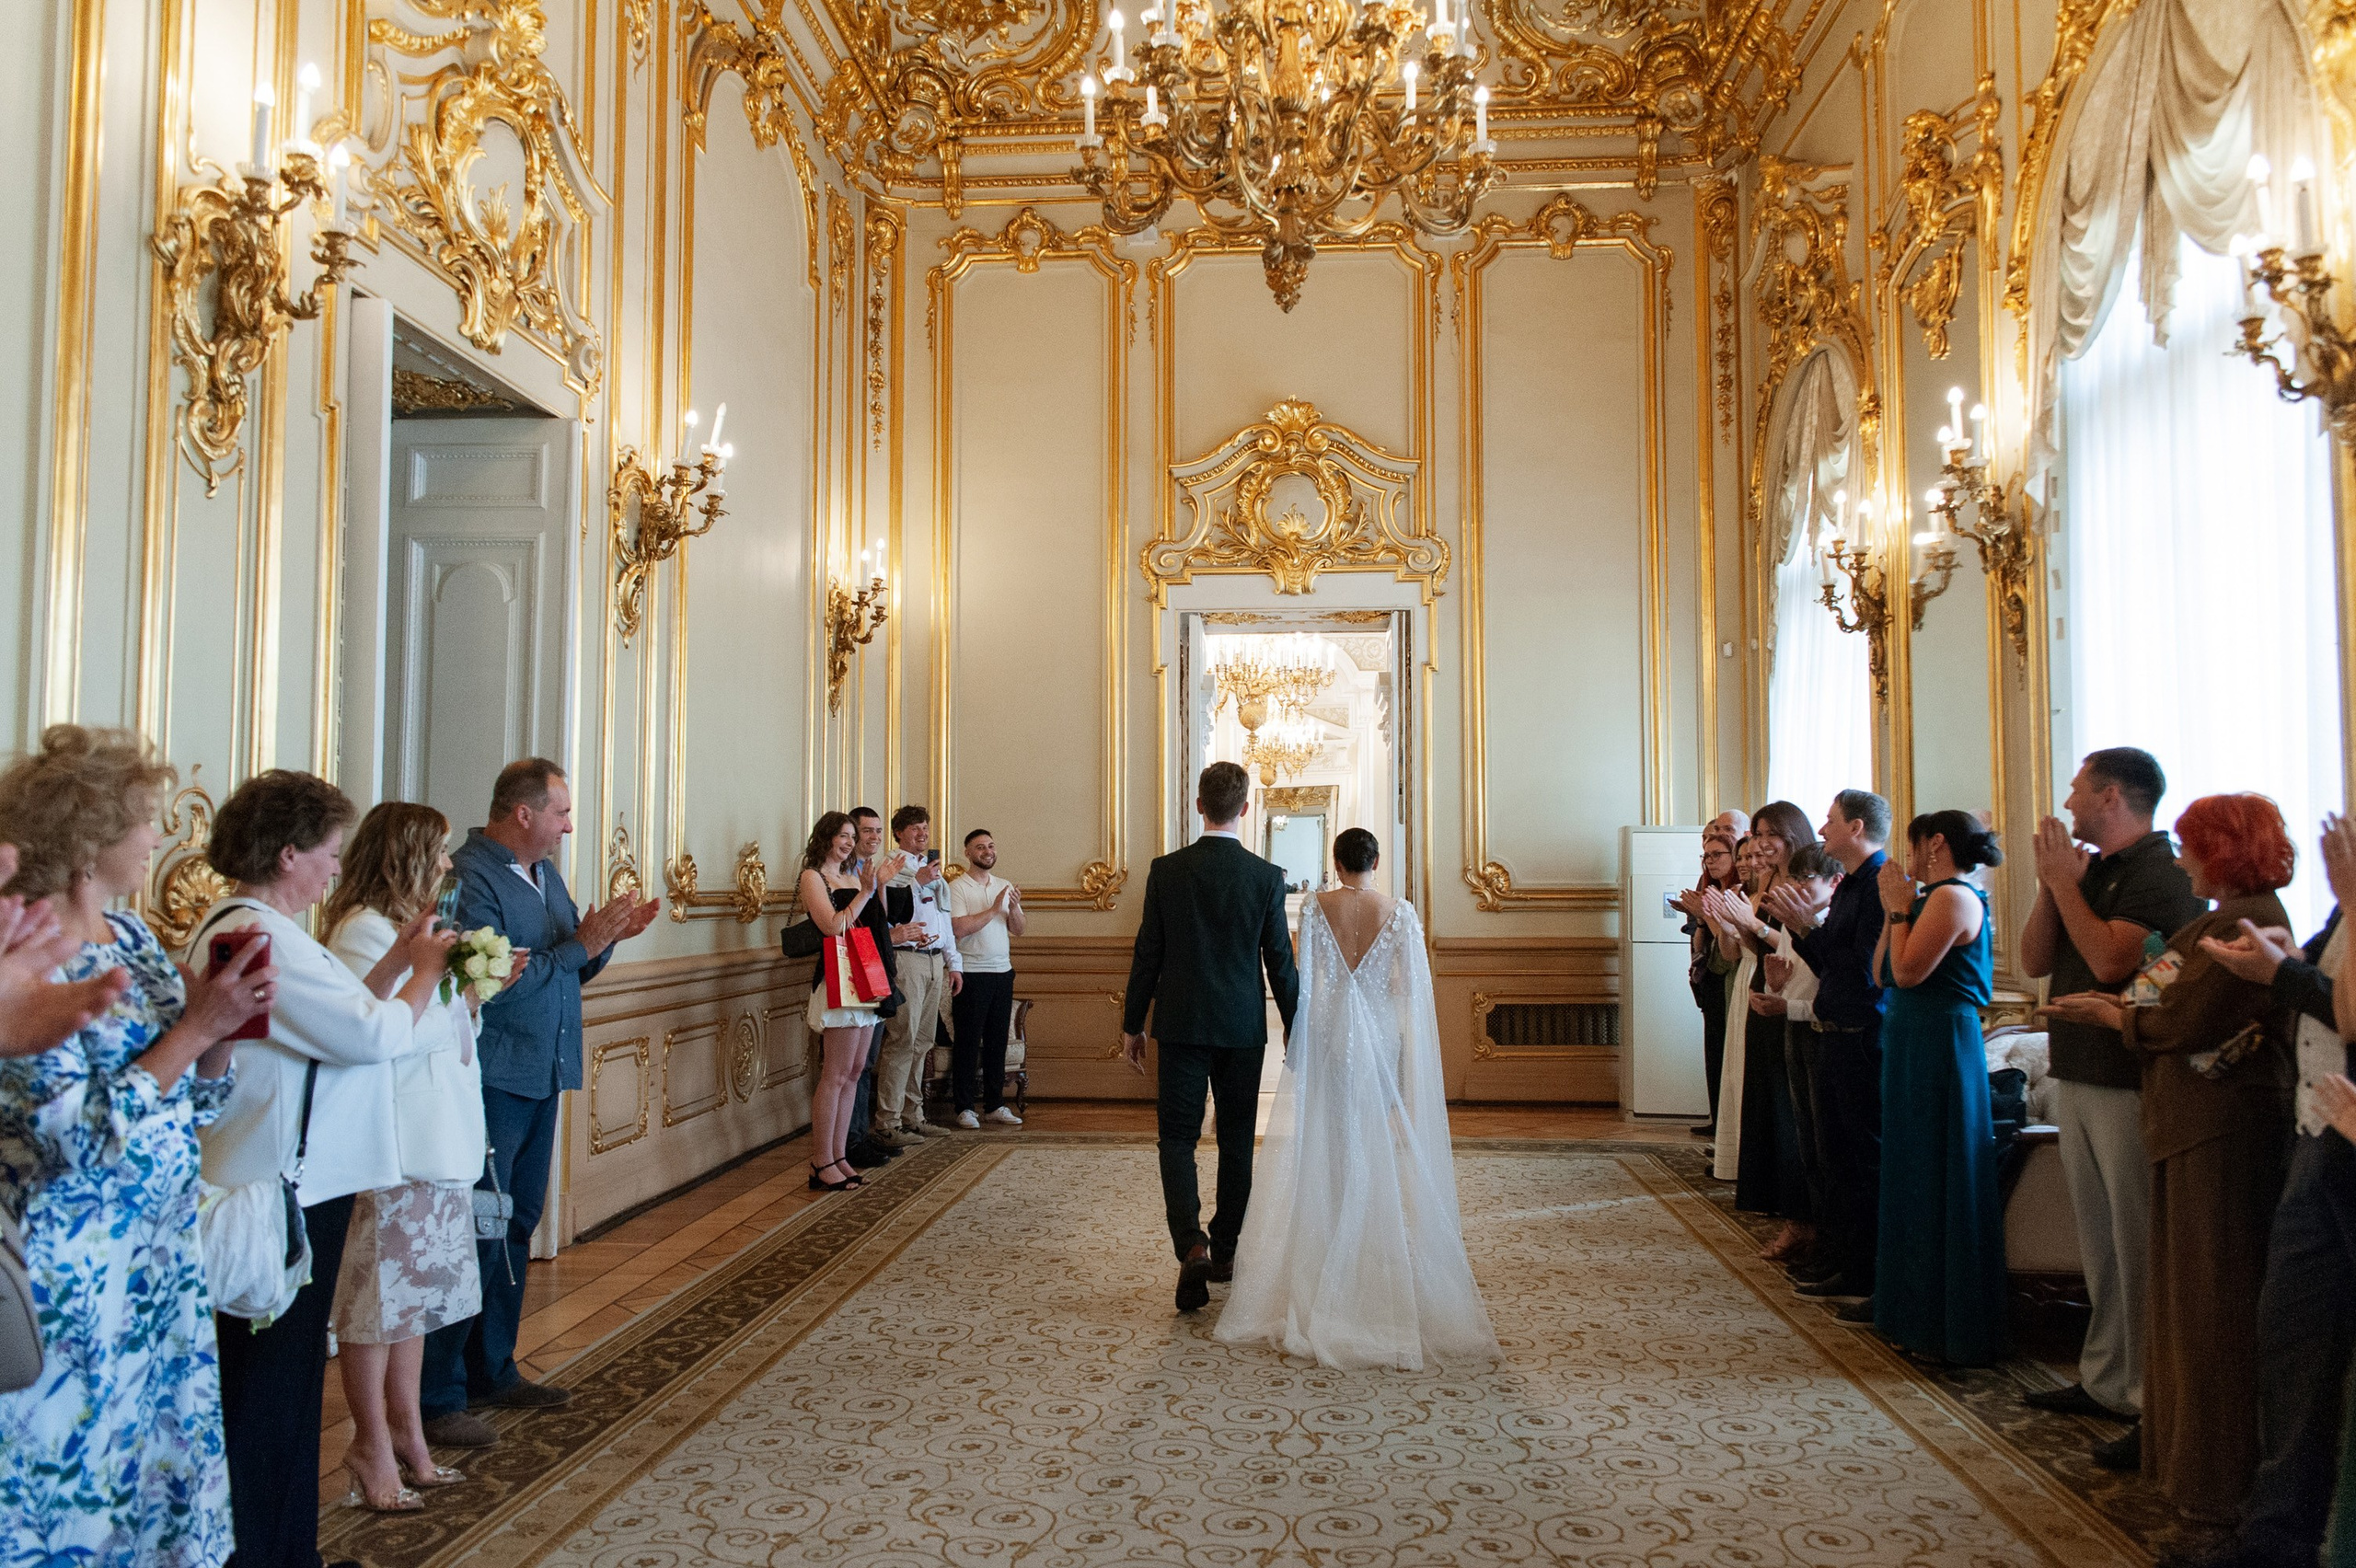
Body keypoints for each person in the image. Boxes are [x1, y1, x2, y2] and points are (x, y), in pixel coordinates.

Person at [0, 728, 272, 1566]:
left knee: (154, 1497)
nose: (159, 839)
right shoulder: (24, 962)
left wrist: (222, 1034)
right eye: (145, 821)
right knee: (71, 1501)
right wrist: (192, 1034)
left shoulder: (136, 942)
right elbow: (75, 1142)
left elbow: (191, 1105)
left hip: (157, 1272)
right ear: (89, 843)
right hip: (74, 1288)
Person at [194, 768, 456, 1568]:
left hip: (289, 1181)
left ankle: (283, 1551)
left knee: (279, 1388)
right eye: (328, 853)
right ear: (286, 855)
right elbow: (372, 1038)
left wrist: (398, 969)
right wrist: (425, 974)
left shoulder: (259, 928)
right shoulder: (263, 934)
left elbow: (343, 1012)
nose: (337, 870)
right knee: (270, 1395)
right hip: (284, 1189)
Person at [2045, 793, 2300, 1522]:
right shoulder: (2215, 918)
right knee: (2180, 1295)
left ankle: (2212, 1476)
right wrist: (2123, 1012)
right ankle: (2176, 1443)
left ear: (2222, 850)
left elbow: (2182, 1016)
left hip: (2221, 1129)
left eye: (2192, 845)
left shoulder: (2254, 918)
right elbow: (2160, 999)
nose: (2182, 857)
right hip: (2188, 1121)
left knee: (2209, 1301)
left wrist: (2116, 1015)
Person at [420, 759, 657, 1449]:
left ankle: (495, 1367)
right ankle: (440, 1392)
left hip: (544, 1069)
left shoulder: (545, 874)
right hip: (495, 1075)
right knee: (475, 1226)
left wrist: (604, 941)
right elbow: (497, 984)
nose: (568, 826)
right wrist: (582, 943)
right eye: (560, 813)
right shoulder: (469, 879)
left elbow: (567, 961)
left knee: (517, 1220)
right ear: (522, 813)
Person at [1215, 828, 1498, 1368]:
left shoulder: (1317, 910)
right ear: (1373, 861)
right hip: (1377, 1030)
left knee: (1325, 1132)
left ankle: (1331, 1231)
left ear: (1337, 861)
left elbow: (1307, 978)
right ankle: (1366, 1234)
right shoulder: (1399, 911)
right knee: (1371, 1130)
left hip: (1326, 1029)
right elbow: (1407, 988)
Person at [2016, 747, 2203, 1457]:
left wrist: (2068, 886)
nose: (2066, 806)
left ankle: (2149, 1394)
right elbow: (2035, 960)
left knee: (2136, 1240)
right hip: (2079, 1066)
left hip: (2129, 1074)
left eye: (2077, 792)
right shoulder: (2087, 871)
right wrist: (2050, 884)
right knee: (2100, 1241)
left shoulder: (2160, 871)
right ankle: (2103, 1376)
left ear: (2113, 796)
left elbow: (2109, 961)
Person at [2184, 816, 2355, 1568]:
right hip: (2314, 1129)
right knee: (2292, 1345)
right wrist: (2287, 961)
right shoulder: (2341, 908)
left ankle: (2285, 1539)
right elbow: (2322, 981)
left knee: (2306, 1345)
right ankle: (2277, 1534)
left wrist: (2280, 972)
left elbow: (2345, 1011)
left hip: (2339, 1142)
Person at [320, 803, 494, 1513]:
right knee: (376, 1306)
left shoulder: (416, 930)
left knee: (415, 1306)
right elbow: (382, 1034)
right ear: (407, 856)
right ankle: (371, 1441)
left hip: (439, 1132)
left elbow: (447, 1025)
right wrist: (442, 987)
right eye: (441, 853)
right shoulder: (362, 932)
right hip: (392, 1141)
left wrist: (475, 994)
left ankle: (411, 1436)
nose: (449, 867)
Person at [1121, 762, 1301, 1313]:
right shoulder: (1267, 877)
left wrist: (1133, 1023)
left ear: (1198, 804)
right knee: (1236, 1141)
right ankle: (1224, 1252)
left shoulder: (1166, 870)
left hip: (1179, 1023)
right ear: (1245, 809)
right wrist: (1298, 1033)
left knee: (1176, 1140)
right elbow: (1280, 966)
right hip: (1243, 1029)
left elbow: (1148, 950)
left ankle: (1191, 1244)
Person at [1872, 810, 2008, 1366]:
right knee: (1909, 1171)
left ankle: (1945, 1327)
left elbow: (1907, 973)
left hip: (1942, 1043)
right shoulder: (1925, 899)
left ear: (1936, 844)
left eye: (1913, 843)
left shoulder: (1954, 898)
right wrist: (1894, 912)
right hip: (1911, 1038)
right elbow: (1881, 971)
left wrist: (1900, 909)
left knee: (1937, 1173)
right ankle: (1909, 1314)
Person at [1764, 789, 1892, 1306]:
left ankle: (1864, 1271)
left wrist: (1806, 928)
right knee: (1834, 1159)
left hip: (1863, 1038)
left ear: (1857, 828)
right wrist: (1802, 929)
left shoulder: (1881, 887)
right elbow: (1831, 963)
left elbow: (1866, 972)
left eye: (1832, 820)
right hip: (1835, 1033)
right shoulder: (1850, 889)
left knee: (1861, 1163)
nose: (1822, 828)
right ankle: (1841, 1258)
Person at [1702, 801, 1817, 1226]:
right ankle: (1765, 1192)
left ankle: (1795, 1209)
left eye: (1769, 835)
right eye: (1758, 834)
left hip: (1796, 990)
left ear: (1791, 835)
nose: (1762, 844)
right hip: (1762, 984)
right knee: (1761, 1091)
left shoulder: (1808, 879)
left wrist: (1750, 925)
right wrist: (1734, 924)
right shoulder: (1766, 881)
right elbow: (1752, 947)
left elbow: (1800, 938)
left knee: (1788, 1103)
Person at [799, 812, 897, 1191]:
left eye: (851, 836)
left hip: (865, 974)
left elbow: (872, 924)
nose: (848, 841)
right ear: (825, 837)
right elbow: (833, 925)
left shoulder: (857, 876)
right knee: (835, 1075)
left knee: (855, 1073)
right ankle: (821, 1160)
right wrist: (866, 892)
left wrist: (877, 888)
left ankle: (839, 1156)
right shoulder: (814, 877)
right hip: (838, 978)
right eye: (842, 835)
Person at [1752, 844, 1839, 1267]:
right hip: (1795, 1027)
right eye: (1794, 878)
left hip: (1826, 1034)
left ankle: (1826, 1240)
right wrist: (1774, 987)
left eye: (1807, 879)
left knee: (1826, 1146)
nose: (1797, 887)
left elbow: (1842, 986)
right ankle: (1805, 1230)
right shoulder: (1792, 923)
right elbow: (1788, 979)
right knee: (1802, 1140)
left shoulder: (1828, 924)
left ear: (1833, 883)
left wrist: (1790, 1003)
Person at [873, 806, 960, 1148]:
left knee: (923, 1042)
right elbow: (887, 911)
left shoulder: (932, 872)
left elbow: (944, 921)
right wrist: (915, 882)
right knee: (901, 1041)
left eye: (925, 827)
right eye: (914, 828)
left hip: (934, 961)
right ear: (898, 833)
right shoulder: (891, 868)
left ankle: (913, 1116)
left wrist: (954, 965)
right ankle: (887, 1122)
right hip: (905, 959)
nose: (922, 833)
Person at [949, 828, 1025, 1128]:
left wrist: (1014, 906)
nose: (987, 851)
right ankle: (964, 1107)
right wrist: (994, 908)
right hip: (971, 974)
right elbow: (958, 929)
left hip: (1002, 973)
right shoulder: (957, 887)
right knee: (968, 1042)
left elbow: (1018, 929)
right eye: (980, 847)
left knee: (997, 1042)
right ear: (968, 853)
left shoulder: (1003, 885)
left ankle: (995, 1105)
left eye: (991, 846)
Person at [841, 808, 903, 1168]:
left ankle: (861, 1135)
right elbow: (856, 926)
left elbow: (879, 922)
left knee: (866, 1063)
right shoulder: (844, 875)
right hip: (855, 972)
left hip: (877, 969)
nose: (874, 837)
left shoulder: (873, 872)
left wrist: (878, 884)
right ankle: (849, 1141)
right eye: (866, 831)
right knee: (854, 1065)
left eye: (878, 830)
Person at [1674, 831, 1741, 1138]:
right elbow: (1702, 940)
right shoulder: (1711, 888)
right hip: (1711, 975)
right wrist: (1699, 918)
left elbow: (1731, 947)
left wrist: (1706, 914)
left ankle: (1728, 1130)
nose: (1710, 862)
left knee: (1728, 1052)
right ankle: (1718, 1121)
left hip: (1731, 974)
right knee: (1714, 1050)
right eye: (1706, 856)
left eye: (1717, 855)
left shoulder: (1739, 892)